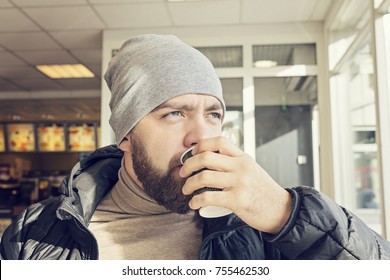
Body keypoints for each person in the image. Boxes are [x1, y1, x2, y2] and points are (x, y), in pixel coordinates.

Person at [1, 34, 389, 260]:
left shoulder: (256, 227)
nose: (201, 136)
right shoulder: (36, 233)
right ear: (126, 135)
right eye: (174, 114)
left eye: (214, 115)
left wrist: (288, 213)